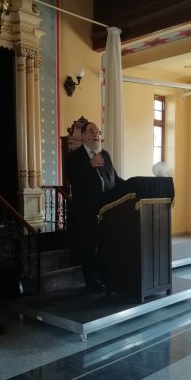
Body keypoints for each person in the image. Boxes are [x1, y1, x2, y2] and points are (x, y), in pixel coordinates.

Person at [64, 121, 124, 292]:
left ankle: (106, 277)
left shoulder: (105, 154)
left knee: (105, 245)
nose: (96, 134)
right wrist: (90, 165)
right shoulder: (73, 157)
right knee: (88, 247)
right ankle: (92, 282)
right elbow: (73, 178)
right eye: (91, 131)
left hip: (107, 209)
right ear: (83, 135)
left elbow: (114, 178)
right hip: (86, 211)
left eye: (97, 131)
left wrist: (132, 186)